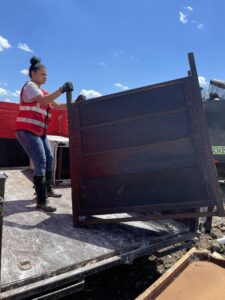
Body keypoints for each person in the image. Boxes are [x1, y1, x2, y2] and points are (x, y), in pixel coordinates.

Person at [15, 56, 72, 212]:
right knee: (40, 161)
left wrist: (75, 102)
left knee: (49, 158)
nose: (45, 77)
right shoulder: (30, 86)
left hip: (39, 132)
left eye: (46, 74)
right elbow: (44, 100)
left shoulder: (43, 91)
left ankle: (47, 190)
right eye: (42, 74)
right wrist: (61, 89)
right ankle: (41, 200)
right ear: (33, 74)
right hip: (27, 131)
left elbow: (59, 106)